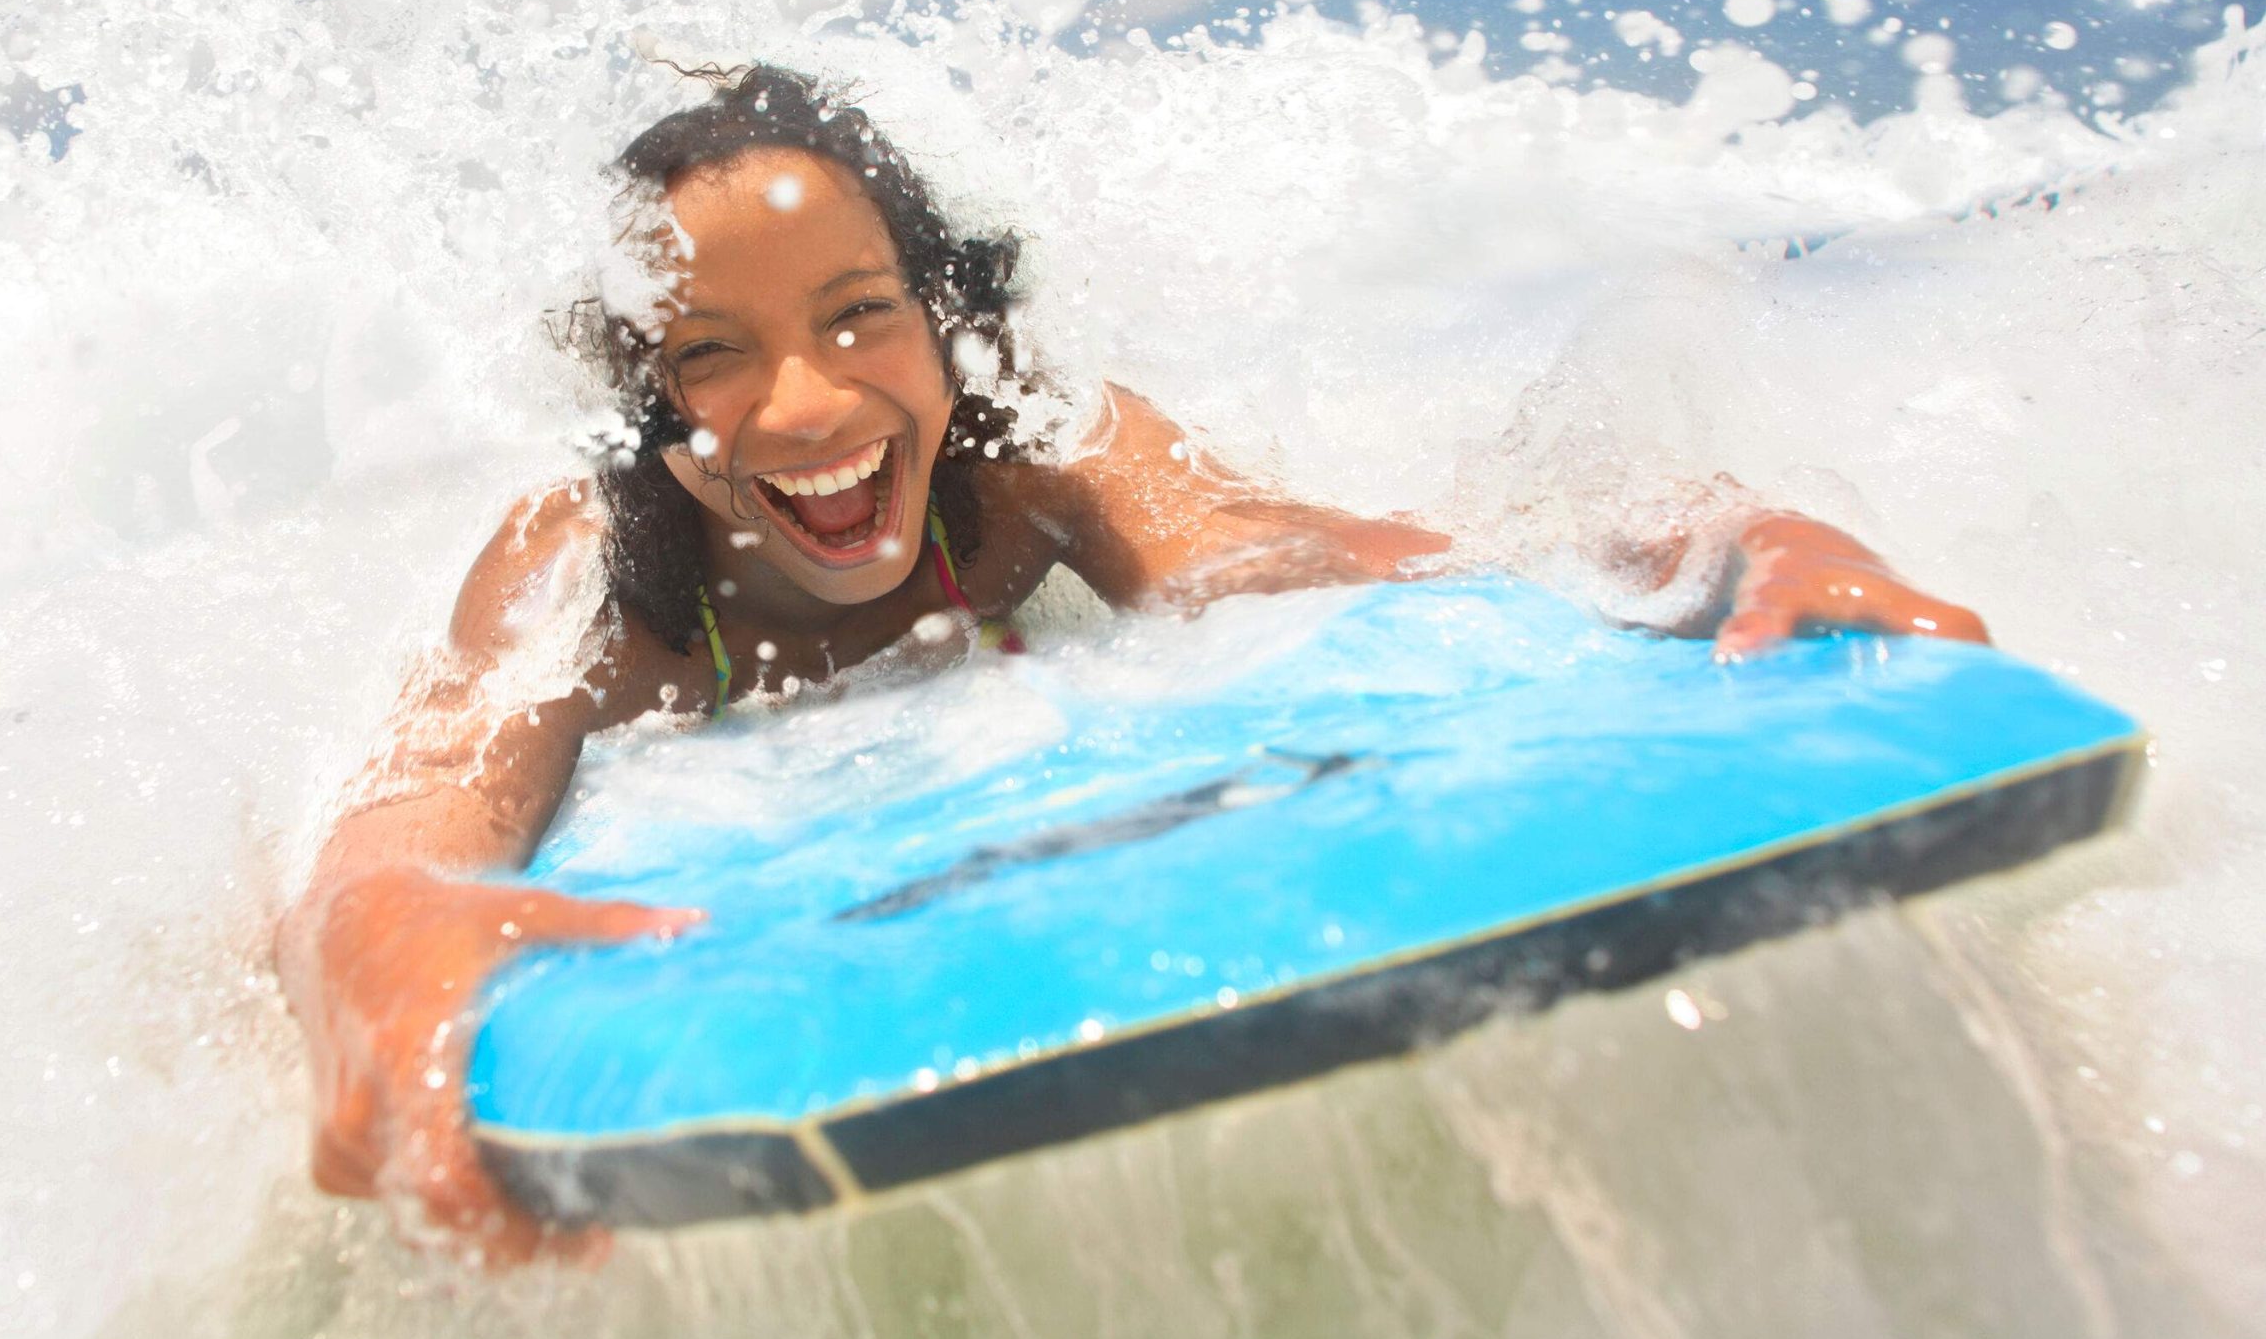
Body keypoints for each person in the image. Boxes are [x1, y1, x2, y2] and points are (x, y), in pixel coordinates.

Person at [272, 65, 1987, 1265]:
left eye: (862, 314)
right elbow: (417, 788)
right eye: (714, 359)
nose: (801, 406)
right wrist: (380, 923)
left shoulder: (1039, 469)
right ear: (651, 408)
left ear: (949, 326)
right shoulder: (606, 572)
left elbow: (1346, 555)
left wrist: (1705, 542)